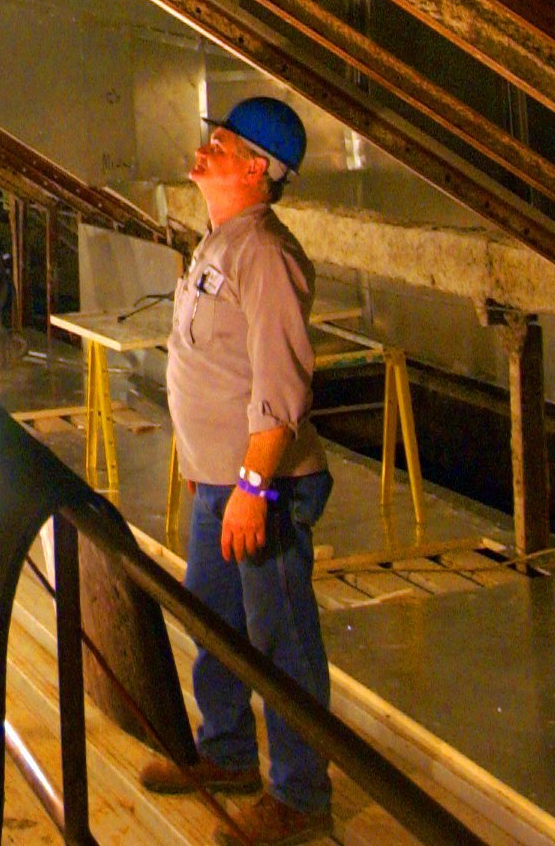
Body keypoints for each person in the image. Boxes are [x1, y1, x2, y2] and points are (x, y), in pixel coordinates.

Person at [145, 96, 334, 846]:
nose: (205, 152)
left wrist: (253, 490)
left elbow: (280, 393)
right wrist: (206, 475)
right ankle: (226, 753)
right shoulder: (219, 243)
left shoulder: (267, 256)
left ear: (256, 169)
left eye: (220, 145)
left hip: (267, 488)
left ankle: (301, 797)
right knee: (214, 620)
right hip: (221, 484)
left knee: (280, 638)